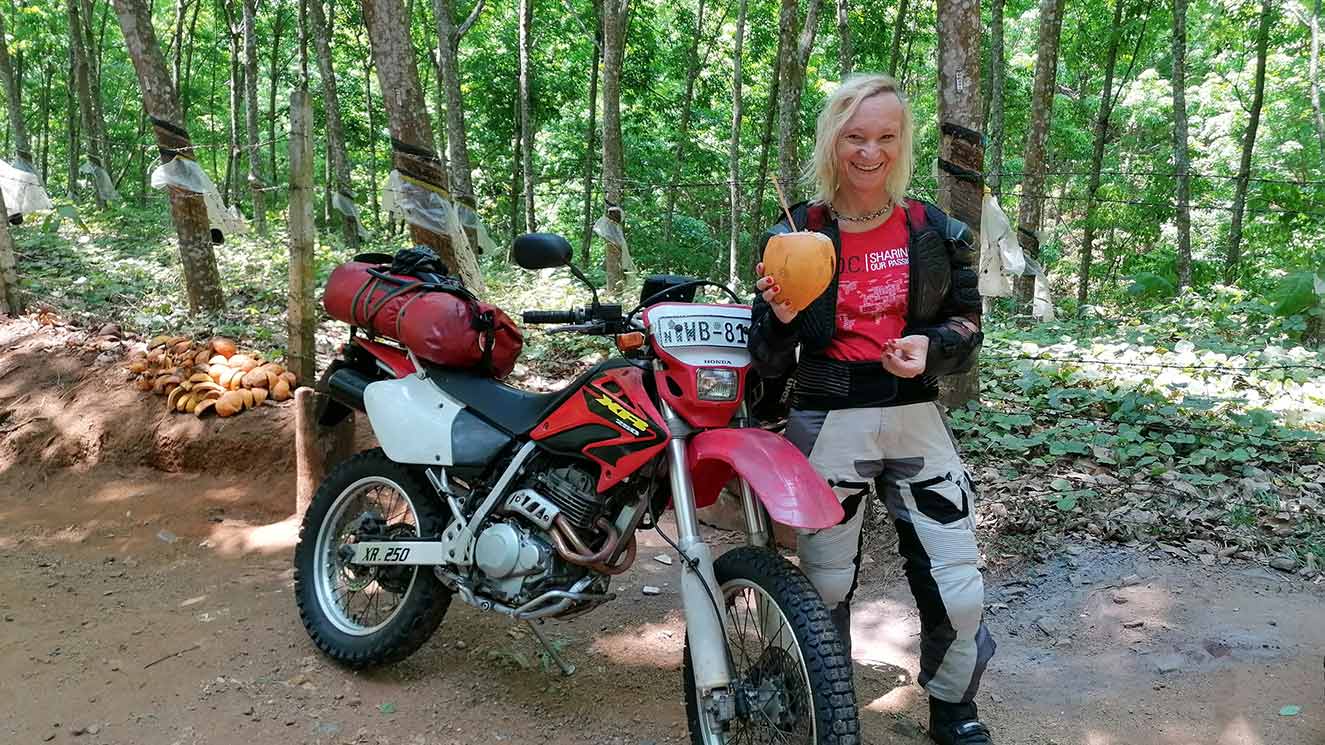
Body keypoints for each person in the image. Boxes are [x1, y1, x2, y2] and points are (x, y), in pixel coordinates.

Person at [748, 73, 994, 745]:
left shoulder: (933, 230)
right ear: (832, 141)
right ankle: (819, 699)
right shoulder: (796, 230)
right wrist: (780, 318)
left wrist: (933, 347)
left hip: (914, 416)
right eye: (854, 136)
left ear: (902, 142)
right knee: (822, 584)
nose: (868, 152)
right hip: (828, 418)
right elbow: (765, 358)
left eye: (885, 137)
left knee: (956, 584)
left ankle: (952, 708)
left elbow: (967, 325)